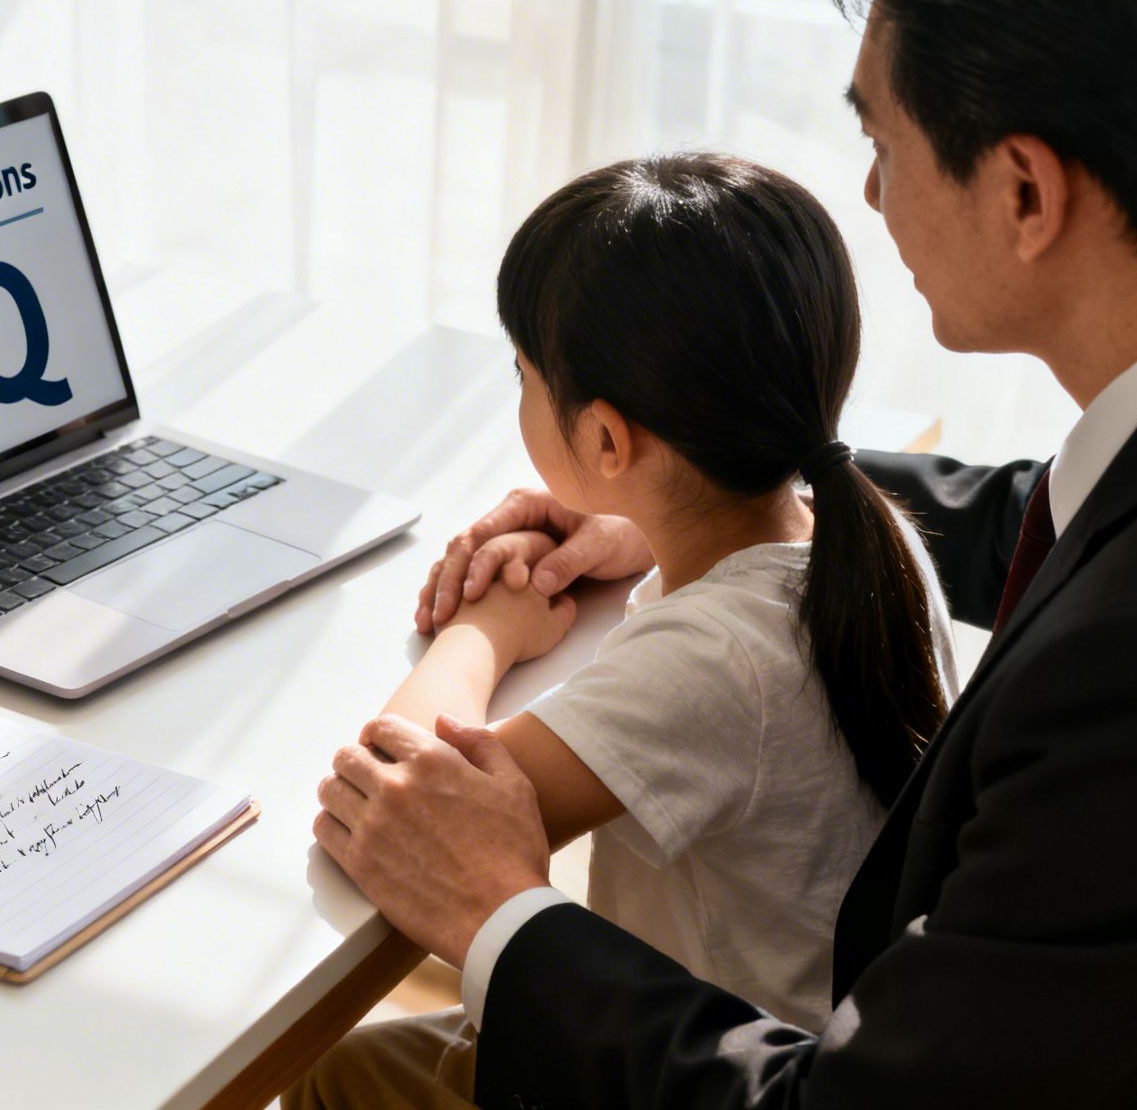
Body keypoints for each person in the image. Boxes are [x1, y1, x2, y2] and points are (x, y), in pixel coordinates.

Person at [313, 0, 1137, 1105]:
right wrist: (708, 477)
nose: (869, 194)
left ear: (1023, 192)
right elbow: (1055, 512)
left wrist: (498, 914)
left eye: (880, 140)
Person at [294, 154, 960, 1107]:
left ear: (607, 441)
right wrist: (646, 527)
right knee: (361, 1063)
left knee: (338, 1079)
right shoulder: (871, 536)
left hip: (687, 1072)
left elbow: (402, 788)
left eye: (523, 373)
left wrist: (486, 627)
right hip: (805, 1033)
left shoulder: (714, 657)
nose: (518, 393)